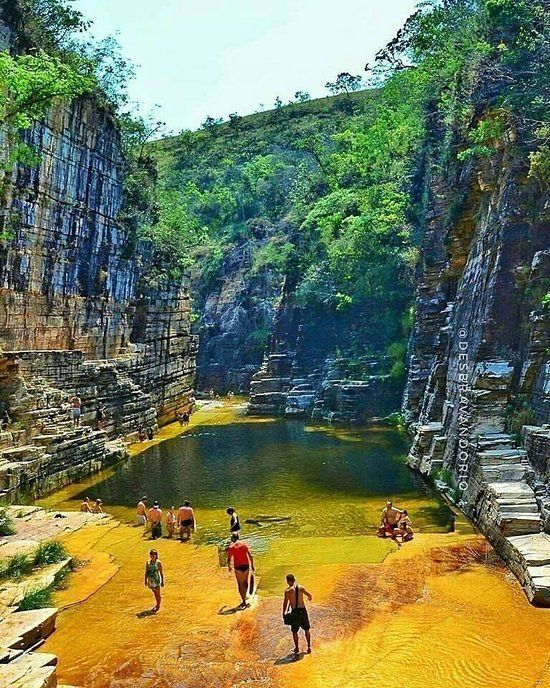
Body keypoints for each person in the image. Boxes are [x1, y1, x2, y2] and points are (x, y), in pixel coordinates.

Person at [283, 573, 312, 654]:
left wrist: (283, 613)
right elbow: (309, 596)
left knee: (295, 631)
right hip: (303, 610)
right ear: (294, 580)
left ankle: (296, 648)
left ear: (287, 581)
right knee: (306, 629)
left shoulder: (287, 591)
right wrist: (309, 598)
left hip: (295, 612)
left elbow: (285, 603)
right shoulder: (301, 588)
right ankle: (309, 647)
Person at [227, 533, 254, 608]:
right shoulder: (244, 545)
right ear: (238, 537)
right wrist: (252, 565)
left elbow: (229, 559)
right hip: (246, 566)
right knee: (245, 582)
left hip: (238, 567)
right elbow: (250, 555)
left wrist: (229, 566)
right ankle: (245, 595)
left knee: (240, 584)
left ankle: (243, 601)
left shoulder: (231, 547)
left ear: (232, 539)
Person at [144, 549, 164, 613]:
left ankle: (158, 605)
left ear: (156, 555)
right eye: (151, 554)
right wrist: (145, 580)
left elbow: (161, 572)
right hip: (151, 580)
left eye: (154, 554)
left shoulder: (158, 563)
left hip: (156, 579)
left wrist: (162, 581)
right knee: (155, 593)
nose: (153, 555)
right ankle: (157, 603)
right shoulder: (148, 563)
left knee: (158, 593)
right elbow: (146, 571)